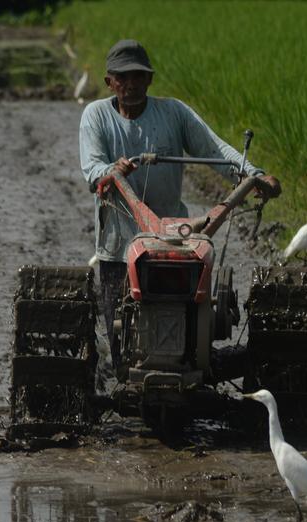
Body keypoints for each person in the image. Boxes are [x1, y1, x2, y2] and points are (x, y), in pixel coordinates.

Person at [78, 39, 280, 372]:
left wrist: (255, 175)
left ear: (150, 80)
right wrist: (112, 172)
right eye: (122, 77)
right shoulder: (96, 116)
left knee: (188, 340)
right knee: (121, 351)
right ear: (109, 82)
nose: (130, 84)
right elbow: (92, 168)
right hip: (119, 248)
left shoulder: (173, 112)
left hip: (175, 244)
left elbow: (216, 149)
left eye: (138, 76)